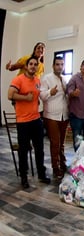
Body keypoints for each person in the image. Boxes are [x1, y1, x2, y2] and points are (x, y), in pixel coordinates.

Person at [7, 56, 51, 188]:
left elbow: (38, 96)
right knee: (23, 150)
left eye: (35, 64)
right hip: (23, 122)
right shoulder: (18, 79)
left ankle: (41, 175)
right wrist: (25, 98)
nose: (33, 66)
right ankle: (24, 177)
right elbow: (10, 95)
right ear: (26, 66)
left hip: (36, 120)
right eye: (31, 64)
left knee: (40, 149)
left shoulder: (37, 80)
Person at [40, 56, 69, 180]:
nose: (60, 67)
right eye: (57, 64)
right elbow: (41, 95)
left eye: (62, 64)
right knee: (55, 143)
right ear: (53, 66)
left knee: (61, 143)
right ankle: (55, 167)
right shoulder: (46, 78)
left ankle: (62, 163)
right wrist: (49, 92)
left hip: (64, 115)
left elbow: (66, 97)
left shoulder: (64, 80)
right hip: (51, 115)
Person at [66, 59, 84, 150]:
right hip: (77, 115)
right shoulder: (74, 78)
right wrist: (73, 93)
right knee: (78, 140)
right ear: (81, 66)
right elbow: (69, 92)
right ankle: (78, 160)